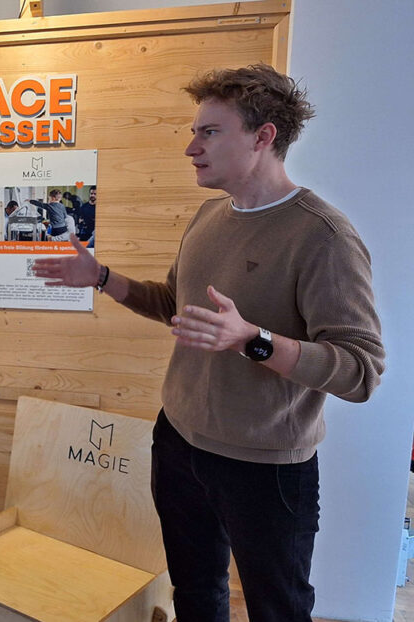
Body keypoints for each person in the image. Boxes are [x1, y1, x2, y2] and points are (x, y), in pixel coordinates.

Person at [32, 64, 384, 622]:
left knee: (280, 609)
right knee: (194, 595)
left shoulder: (323, 236)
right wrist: (101, 278)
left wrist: (253, 340)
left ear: (264, 136)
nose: (191, 147)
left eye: (209, 132)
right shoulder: (208, 215)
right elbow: (177, 305)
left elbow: (360, 371)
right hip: (179, 441)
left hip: (265, 465)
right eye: (195, 131)